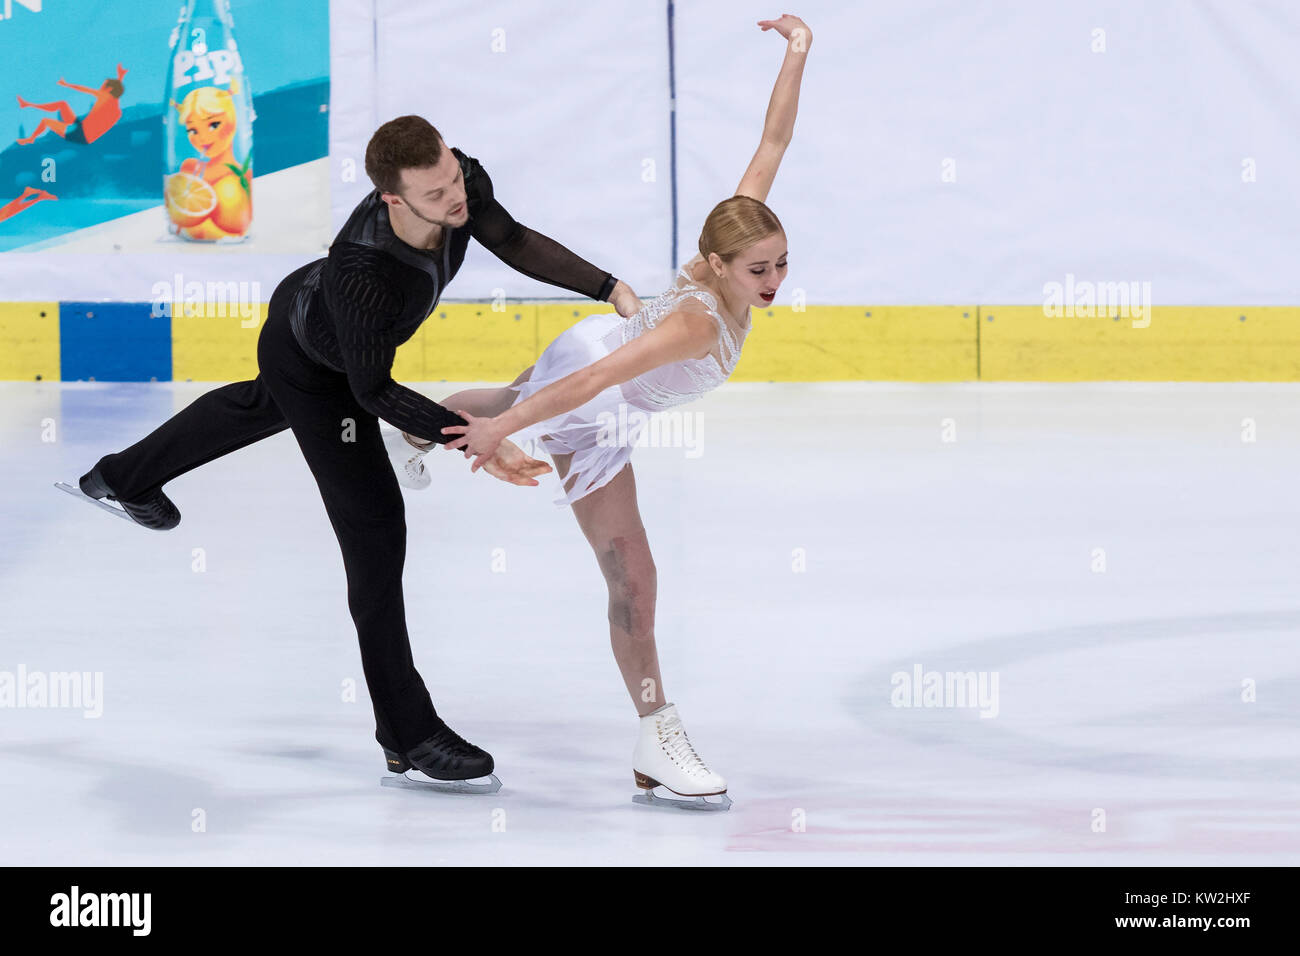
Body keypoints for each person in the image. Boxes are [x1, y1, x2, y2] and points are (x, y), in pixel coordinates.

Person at [63, 115, 642, 793]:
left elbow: (509, 238)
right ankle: (408, 733)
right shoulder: (365, 268)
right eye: (435, 195)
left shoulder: (459, 181)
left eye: (454, 177)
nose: (456, 200)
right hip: (323, 366)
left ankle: (118, 477)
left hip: (315, 321)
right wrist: (475, 436)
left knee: (257, 404)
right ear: (391, 199)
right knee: (375, 535)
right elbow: (371, 391)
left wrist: (607, 287)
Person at [387, 14, 812, 810]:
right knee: (634, 580)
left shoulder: (734, 232)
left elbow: (772, 144)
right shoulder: (694, 322)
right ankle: (658, 735)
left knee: (513, 399)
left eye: (782, 262)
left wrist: (797, 52)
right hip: (598, 398)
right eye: (760, 268)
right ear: (716, 264)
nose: (775, 279)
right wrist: (500, 436)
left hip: (592, 357)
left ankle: (409, 427)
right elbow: (592, 388)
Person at [16, 65, 127, 146]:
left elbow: (84, 89)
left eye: (103, 85)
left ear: (109, 89)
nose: (100, 87)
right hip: (83, 129)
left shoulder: (105, 96)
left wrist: (66, 84)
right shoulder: (115, 105)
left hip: (80, 134)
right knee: (62, 104)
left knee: (46, 121)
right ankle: (27, 105)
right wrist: (120, 77)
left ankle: (31, 138)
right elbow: (115, 90)